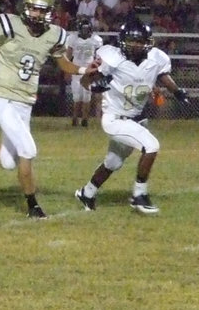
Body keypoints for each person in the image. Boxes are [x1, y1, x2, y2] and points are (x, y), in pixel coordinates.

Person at [0, 0, 90, 218]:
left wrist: (85, 69)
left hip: (25, 102)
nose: (38, 15)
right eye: (34, 10)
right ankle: (33, 206)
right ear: (25, 9)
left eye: (42, 11)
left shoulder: (54, 34)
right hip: (2, 97)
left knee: (9, 162)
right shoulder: (8, 26)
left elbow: (64, 65)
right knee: (28, 149)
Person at [74, 19, 190, 214]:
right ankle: (139, 195)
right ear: (122, 41)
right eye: (131, 41)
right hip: (115, 118)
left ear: (147, 41)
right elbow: (86, 81)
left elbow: (162, 74)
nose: (135, 45)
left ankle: (87, 192)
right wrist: (94, 86)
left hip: (137, 117)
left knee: (113, 162)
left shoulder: (156, 58)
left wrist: (177, 91)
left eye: (139, 41)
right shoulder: (112, 58)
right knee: (151, 146)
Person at [66, 19, 103, 128]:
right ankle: (75, 118)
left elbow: (99, 57)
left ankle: (85, 120)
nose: (85, 32)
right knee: (77, 96)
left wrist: (96, 70)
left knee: (87, 96)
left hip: (89, 70)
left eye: (87, 30)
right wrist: (67, 69)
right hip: (76, 69)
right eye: (83, 29)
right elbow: (68, 55)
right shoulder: (73, 39)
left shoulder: (96, 40)